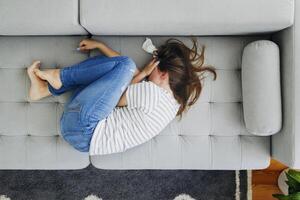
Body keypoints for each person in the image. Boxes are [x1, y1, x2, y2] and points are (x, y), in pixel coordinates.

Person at [26, 38, 217, 155]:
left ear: (163, 73)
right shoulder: (170, 103)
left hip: (84, 129)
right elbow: (115, 76)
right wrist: (100, 46)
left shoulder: (151, 94)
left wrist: (141, 74)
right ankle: (45, 90)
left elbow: (116, 95)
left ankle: (60, 78)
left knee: (125, 66)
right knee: (120, 68)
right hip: (81, 137)